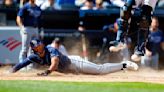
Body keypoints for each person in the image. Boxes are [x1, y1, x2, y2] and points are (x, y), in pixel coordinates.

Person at [10, 39, 138, 76]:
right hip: (71, 70)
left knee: (100, 70)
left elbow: (54, 63)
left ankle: (124, 64)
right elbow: (22, 64)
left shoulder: (50, 49)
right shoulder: (34, 56)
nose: (40, 45)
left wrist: (47, 72)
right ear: (34, 49)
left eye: (40, 44)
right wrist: (11, 71)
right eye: (37, 46)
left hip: (75, 62)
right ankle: (123, 67)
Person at [16, 0, 42, 69]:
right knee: (25, 48)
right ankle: (22, 67)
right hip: (27, 28)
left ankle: (30, 67)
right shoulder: (26, 6)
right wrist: (21, 27)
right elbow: (19, 17)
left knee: (34, 48)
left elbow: (39, 19)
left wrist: (40, 30)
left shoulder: (37, 7)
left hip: (35, 28)